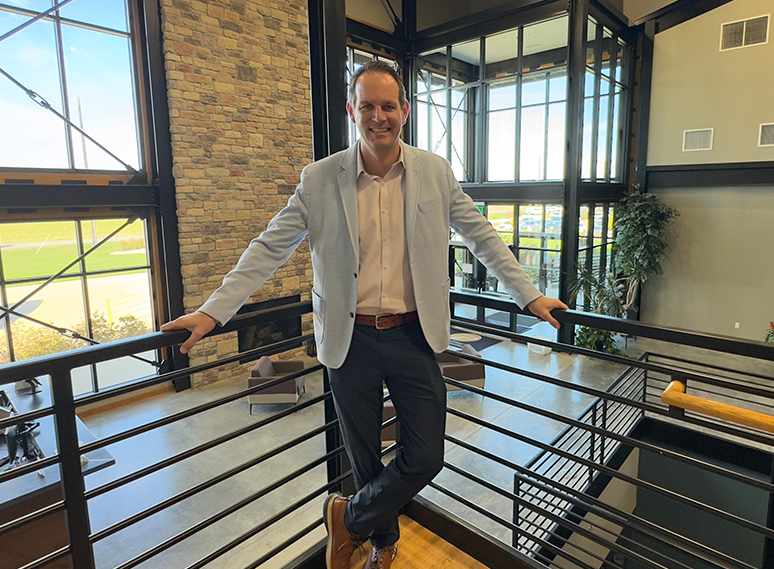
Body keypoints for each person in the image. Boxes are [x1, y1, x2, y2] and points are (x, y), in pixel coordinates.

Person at [161, 61, 567, 569]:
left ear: (405, 111)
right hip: (348, 340)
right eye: (368, 106)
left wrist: (529, 295)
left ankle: (347, 518)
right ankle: (381, 543)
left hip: (413, 335)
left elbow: (481, 235)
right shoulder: (319, 178)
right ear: (353, 111)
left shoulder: (434, 172)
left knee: (424, 457)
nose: (379, 116)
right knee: (364, 455)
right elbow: (269, 248)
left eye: (388, 105)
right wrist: (213, 311)